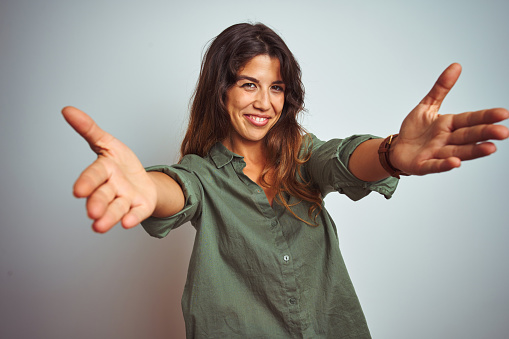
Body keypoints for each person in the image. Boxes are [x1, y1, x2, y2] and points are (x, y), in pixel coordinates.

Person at [62, 23, 509, 338]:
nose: (265, 102)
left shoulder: (303, 154)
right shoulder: (201, 174)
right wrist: (145, 186)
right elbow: (177, 189)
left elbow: (341, 159)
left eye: (276, 87)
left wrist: (392, 154)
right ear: (221, 91)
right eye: (248, 84)